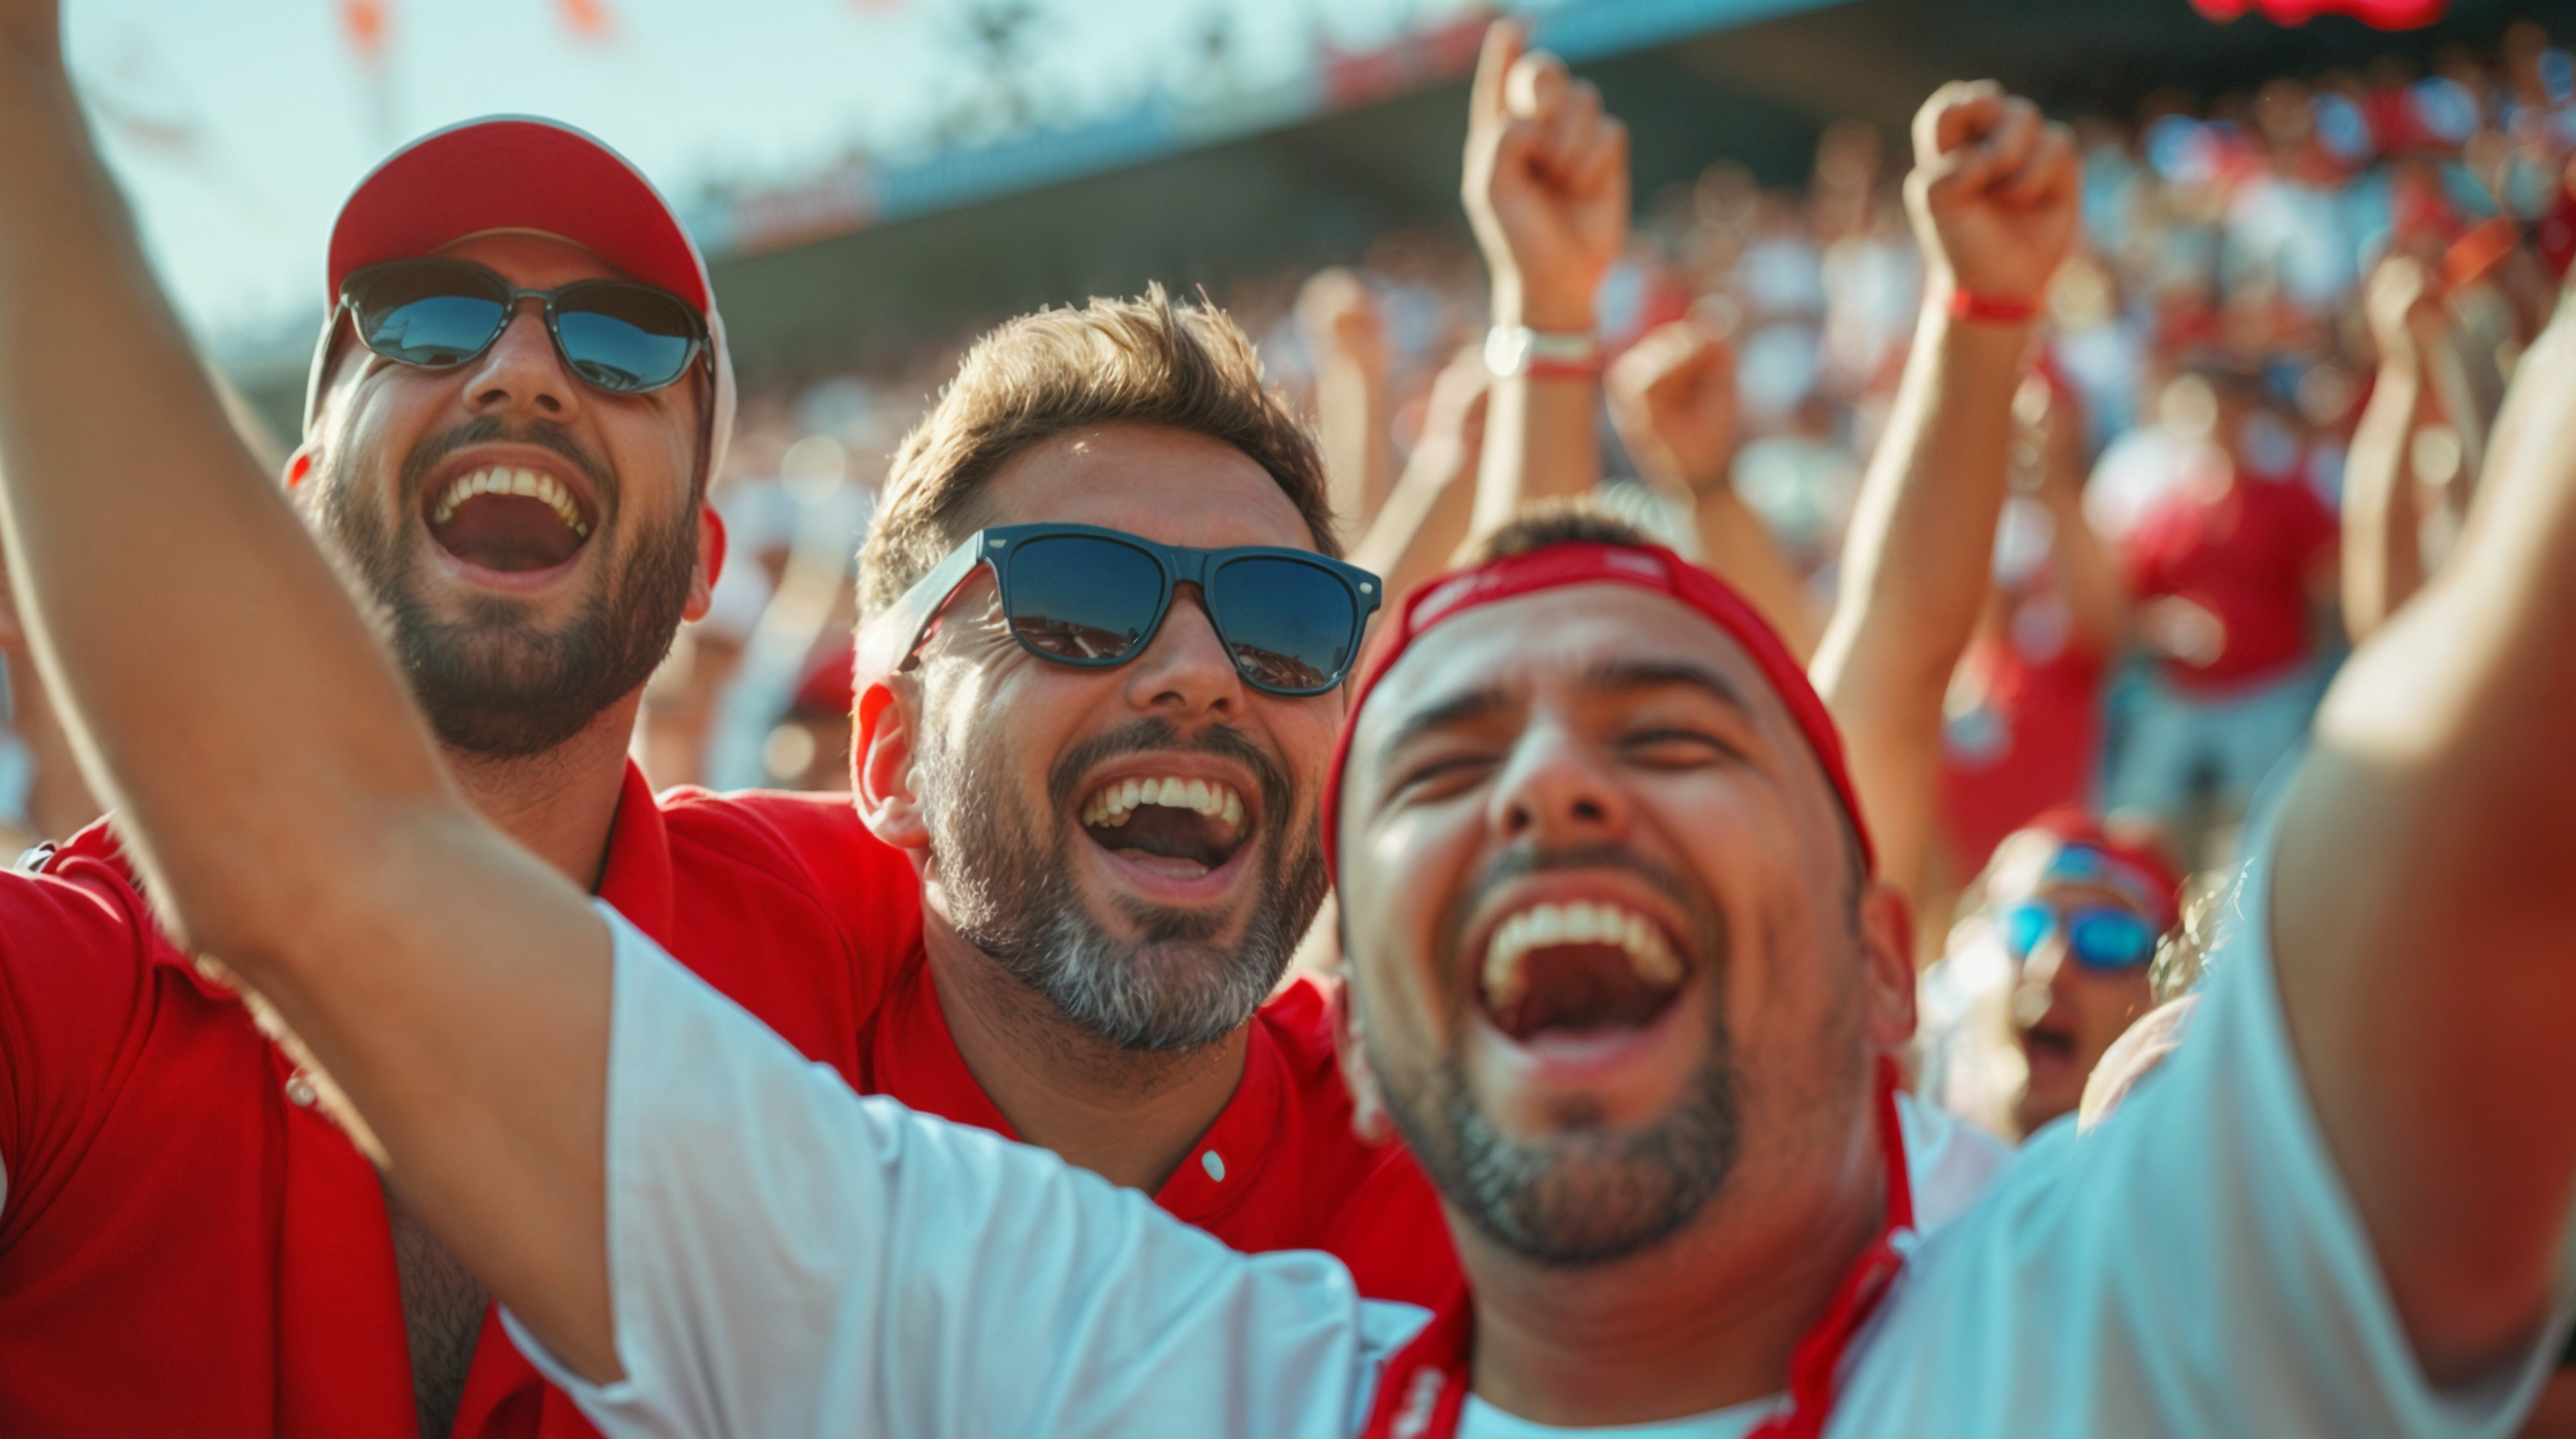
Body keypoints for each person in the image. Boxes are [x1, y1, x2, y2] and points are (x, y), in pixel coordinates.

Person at [0, 109, 934, 1439]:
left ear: (700, 572)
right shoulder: (61, 975)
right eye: (427, 318)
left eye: (620, 341)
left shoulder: (865, 931)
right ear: (304, 504)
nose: (521, 374)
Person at [1915, 809, 2183, 1140]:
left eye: (2105, 939)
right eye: (2026, 927)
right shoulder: (1910, 1162)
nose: (2050, 968)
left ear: (2165, 997)